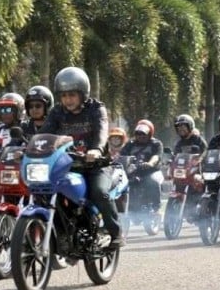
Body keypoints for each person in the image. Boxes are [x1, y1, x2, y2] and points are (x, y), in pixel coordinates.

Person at [40, 66, 123, 247]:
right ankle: (61, 235)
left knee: (99, 192)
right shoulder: (57, 112)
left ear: (82, 94)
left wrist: (97, 150)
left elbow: (102, 131)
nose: (67, 100)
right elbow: (44, 134)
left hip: (96, 165)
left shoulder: (96, 109)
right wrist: (29, 147)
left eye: (72, 95)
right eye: (63, 96)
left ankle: (115, 232)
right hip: (67, 164)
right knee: (45, 190)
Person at [120, 119, 163, 212]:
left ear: (150, 133)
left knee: (153, 180)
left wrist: (150, 163)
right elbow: (122, 155)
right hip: (133, 171)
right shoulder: (130, 144)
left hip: (151, 171)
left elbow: (157, 156)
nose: (140, 136)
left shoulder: (156, 144)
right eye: (138, 134)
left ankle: (156, 207)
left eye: (143, 134)